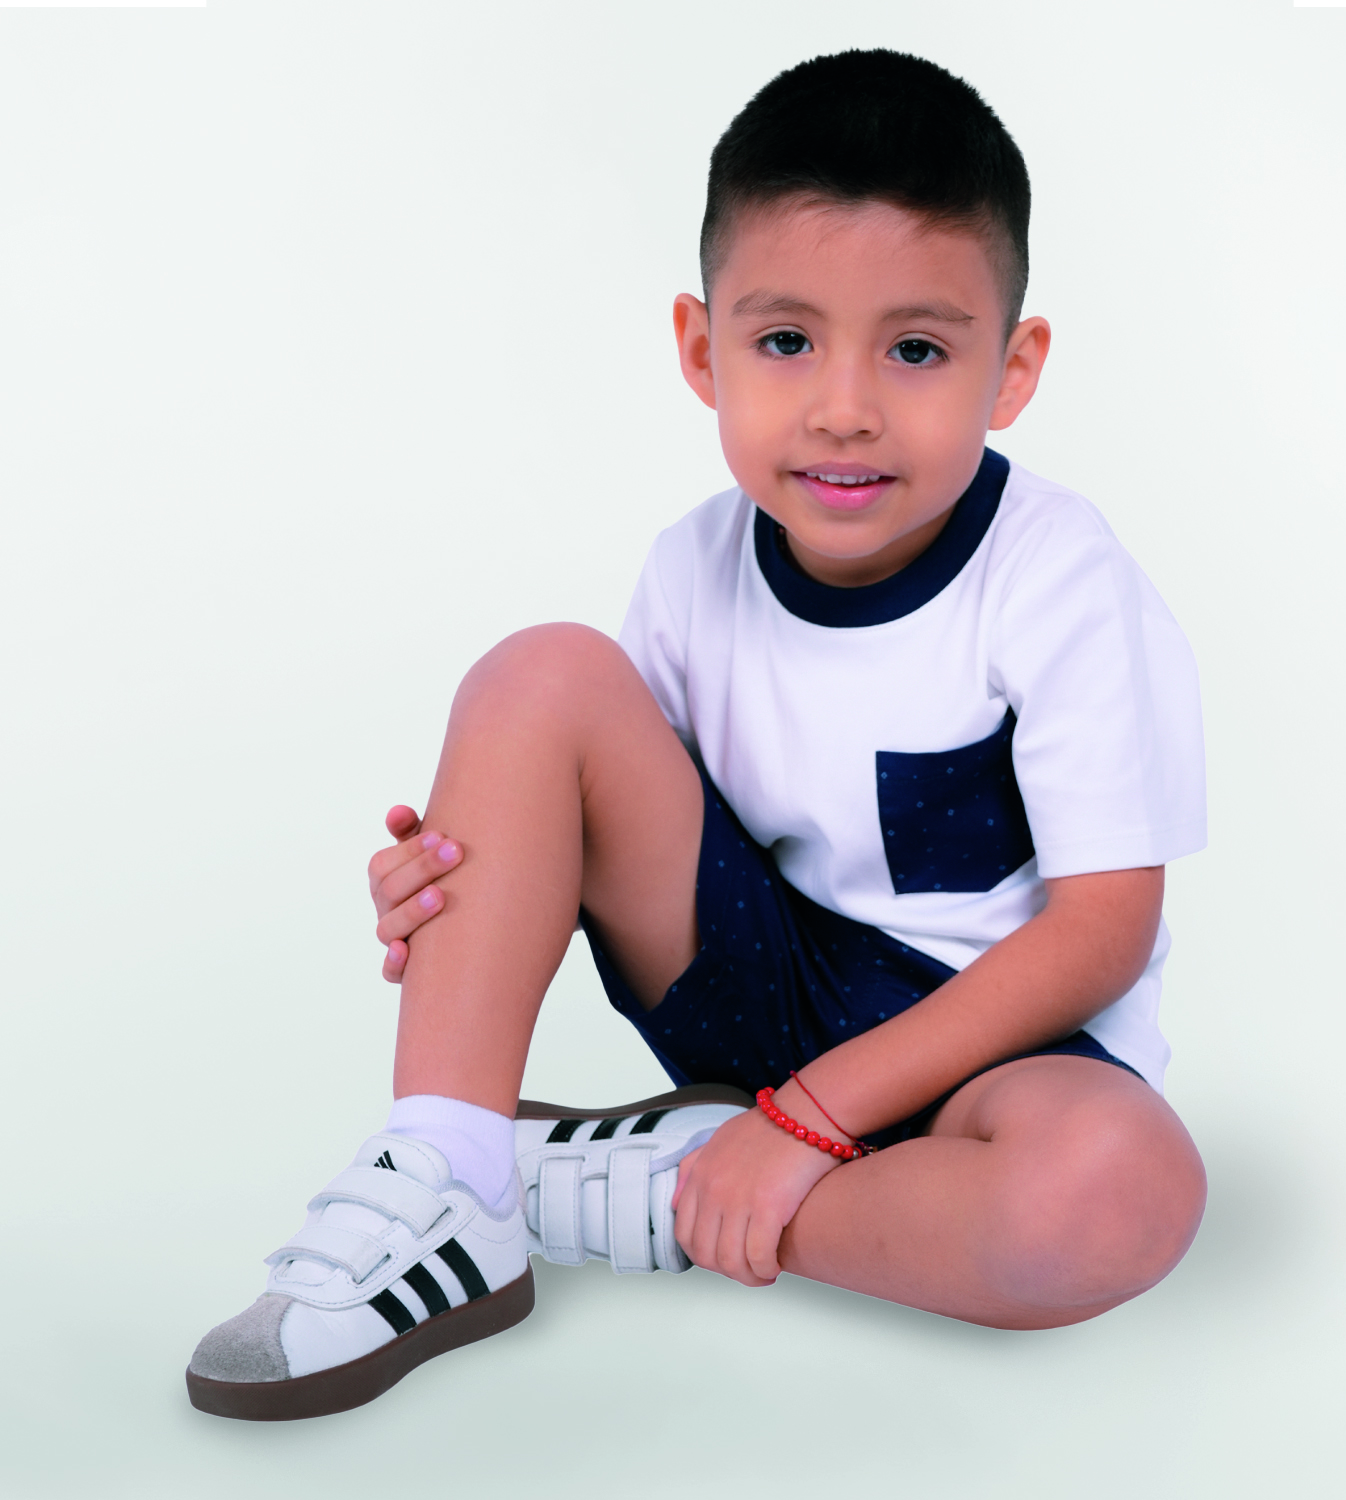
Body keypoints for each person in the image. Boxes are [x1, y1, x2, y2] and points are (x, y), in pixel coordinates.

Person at [187, 48, 1209, 1422]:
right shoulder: (691, 570)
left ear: (1012, 370)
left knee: (1119, 1192)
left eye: (915, 350)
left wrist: (809, 1120)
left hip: (997, 1058)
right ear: (700, 348)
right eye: (786, 342)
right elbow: (601, 820)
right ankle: (450, 1173)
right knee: (543, 676)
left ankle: (659, 1192)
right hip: (756, 995)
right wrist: (454, 881)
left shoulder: (1061, 576)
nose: (845, 405)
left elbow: (1101, 933)